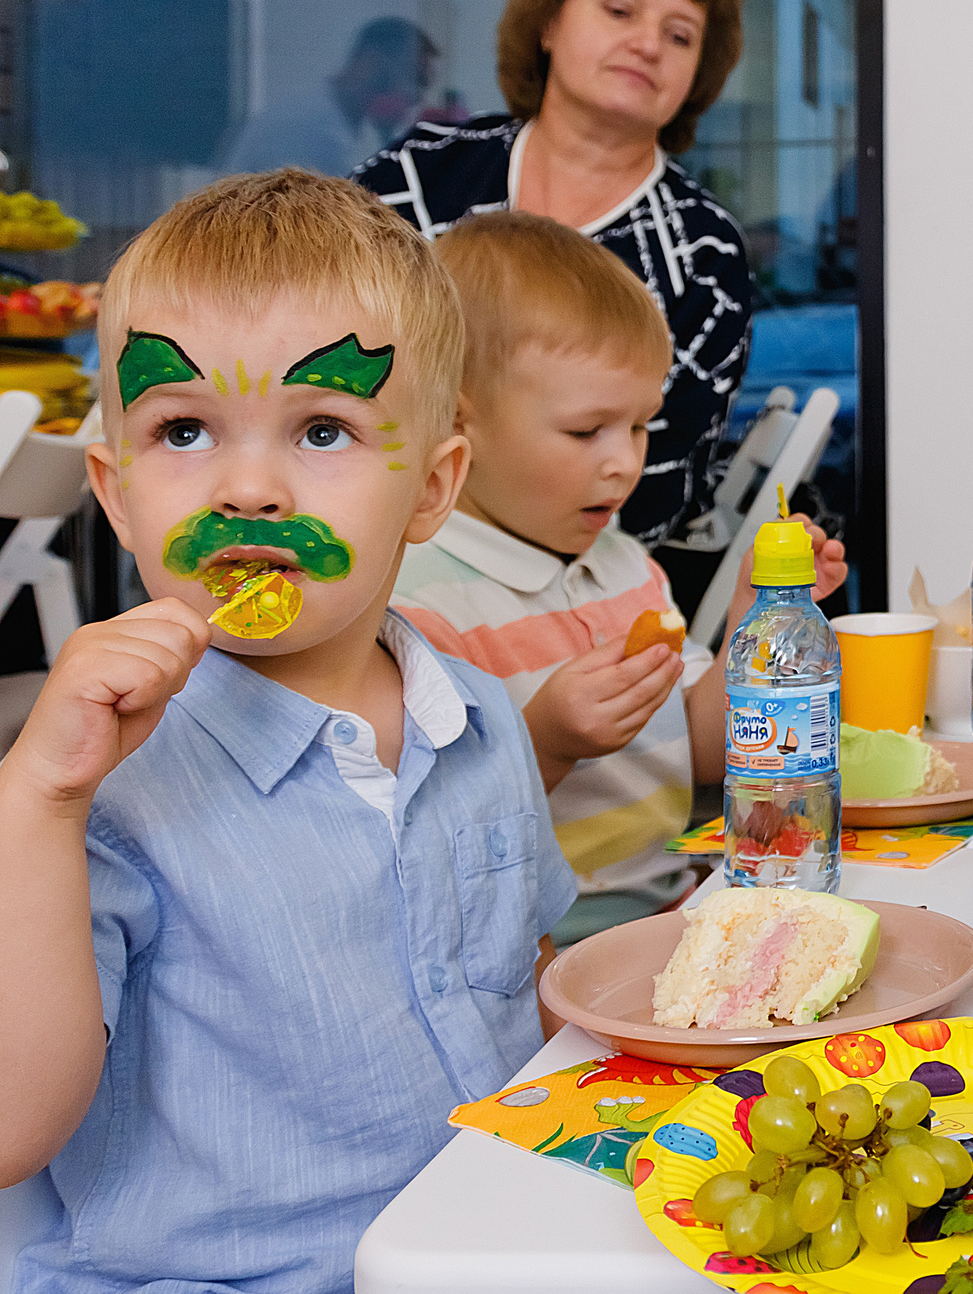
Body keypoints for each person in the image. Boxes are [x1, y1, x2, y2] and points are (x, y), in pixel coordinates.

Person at [0, 171, 573, 1292]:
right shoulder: (102, 783)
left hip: (472, 1246)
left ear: (431, 489)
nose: (250, 486)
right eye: (183, 429)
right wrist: (36, 803)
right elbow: (12, 1129)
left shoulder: (482, 716)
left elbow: (523, 980)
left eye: (322, 427)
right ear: (115, 495)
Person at [390, 213, 844, 942]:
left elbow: (706, 748)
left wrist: (756, 622)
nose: (624, 462)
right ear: (456, 423)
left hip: (681, 910)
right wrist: (547, 740)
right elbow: (433, 837)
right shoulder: (417, 603)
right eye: (585, 431)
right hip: (542, 948)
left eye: (639, 427)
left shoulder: (623, 563)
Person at [355, 0, 754, 549]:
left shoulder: (703, 256)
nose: (647, 44)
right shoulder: (422, 175)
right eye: (619, 10)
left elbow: (654, 492)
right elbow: (310, 328)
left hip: (573, 580)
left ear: (697, 74)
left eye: (679, 35)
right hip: (370, 535)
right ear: (548, 22)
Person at [221, 16, 442, 178]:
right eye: (414, 79)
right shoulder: (306, 127)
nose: (416, 98)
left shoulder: (341, 127)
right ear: (371, 63)